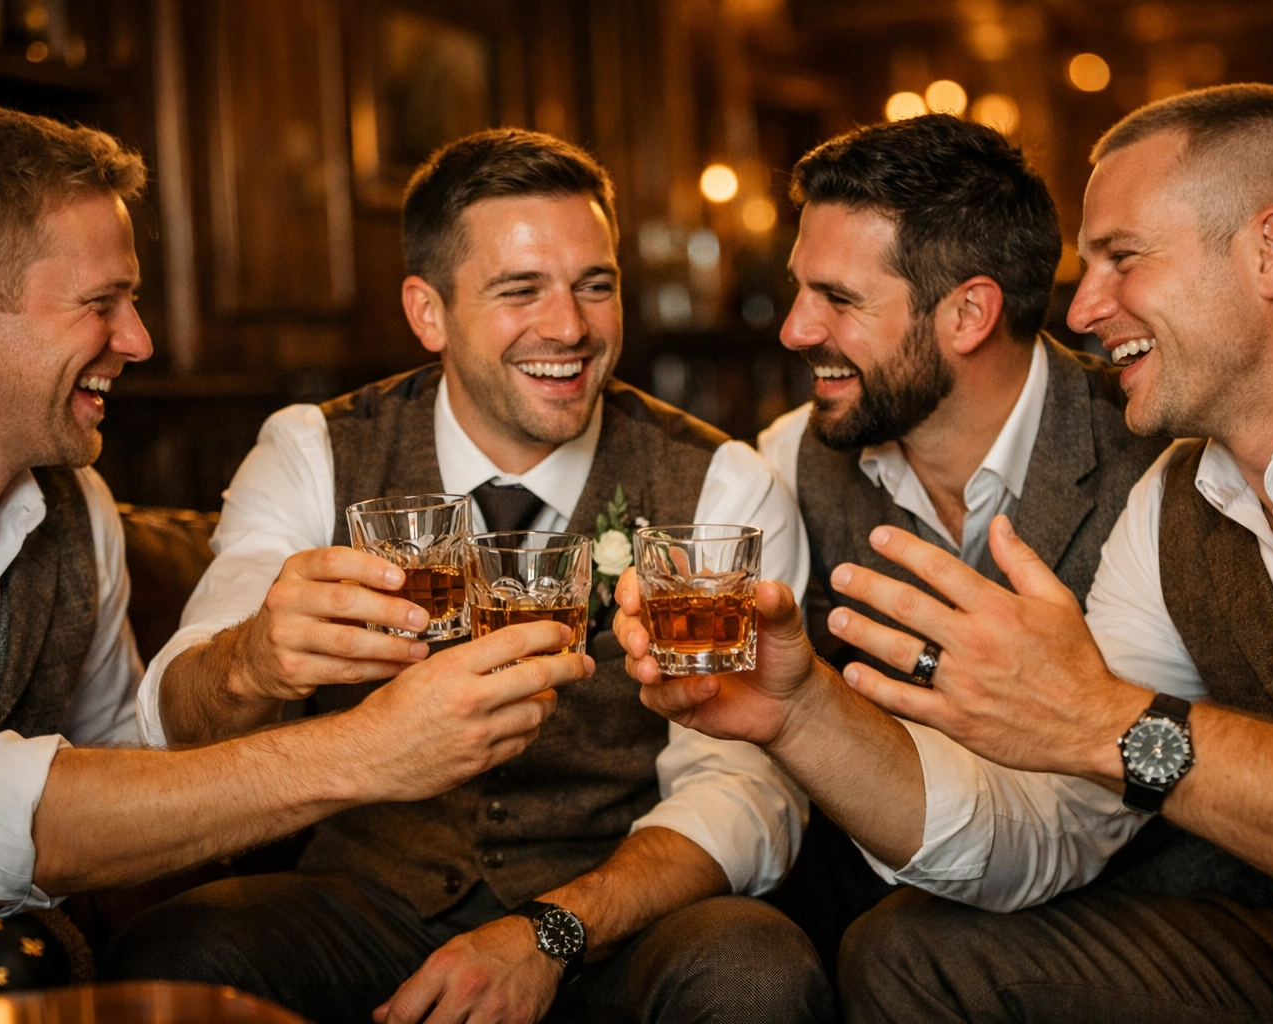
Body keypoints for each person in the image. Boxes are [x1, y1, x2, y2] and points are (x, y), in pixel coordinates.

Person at [621, 82, 1273, 1022]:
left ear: (1270, 251)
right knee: (904, 949)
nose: (1081, 309)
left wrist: (1106, 723)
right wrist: (801, 715)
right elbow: (1046, 822)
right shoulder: (1178, 500)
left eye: (1121, 259)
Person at [107, 129, 829, 1024]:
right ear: (428, 311)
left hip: (613, 917)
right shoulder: (314, 452)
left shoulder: (723, 484)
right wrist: (253, 661)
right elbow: (179, 717)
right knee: (181, 948)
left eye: (595, 286)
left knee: (754, 966)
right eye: (519, 290)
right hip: (365, 907)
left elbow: (747, 790)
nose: (569, 327)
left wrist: (551, 934)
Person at [0, 105, 587, 937]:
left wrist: (256, 681)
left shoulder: (75, 507)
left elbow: (141, 770)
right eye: (101, 302)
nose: (138, 339)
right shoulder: (302, 447)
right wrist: (364, 750)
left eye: (132, 299)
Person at [753, 112, 1167, 960]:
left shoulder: (1153, 462)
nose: (795, 329)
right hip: (869, 931)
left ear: (969, 313)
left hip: (1126, 936)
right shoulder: (788, 460)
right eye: (800, 290)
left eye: (837, 299)